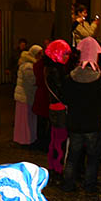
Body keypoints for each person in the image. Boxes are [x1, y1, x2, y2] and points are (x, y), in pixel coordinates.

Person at [61, 38, 101, 193]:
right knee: (93, 157)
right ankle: (90, 185)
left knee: (73, 155)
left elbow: (64, 98)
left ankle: (68, 184)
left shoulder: (70, 78)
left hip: (74, 123)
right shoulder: (99, 79)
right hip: (93, 123)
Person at [42, 40, 72, 183]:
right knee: (59, 141)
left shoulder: (49, 68)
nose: (67, 57)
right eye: (65, 54)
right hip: (60, 109)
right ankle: (57, 170)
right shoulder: (56, 70)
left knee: (54, 140)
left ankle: (53, 168)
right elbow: (62, 92)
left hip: (54, 108)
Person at [13, 45, 41, 146]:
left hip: (23, 96)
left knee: (24, 119)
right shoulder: (28, 66)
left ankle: (24, 138)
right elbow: (31, 81)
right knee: (26, 120)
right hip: (25, 96)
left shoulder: (26, 64)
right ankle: (25, 139)